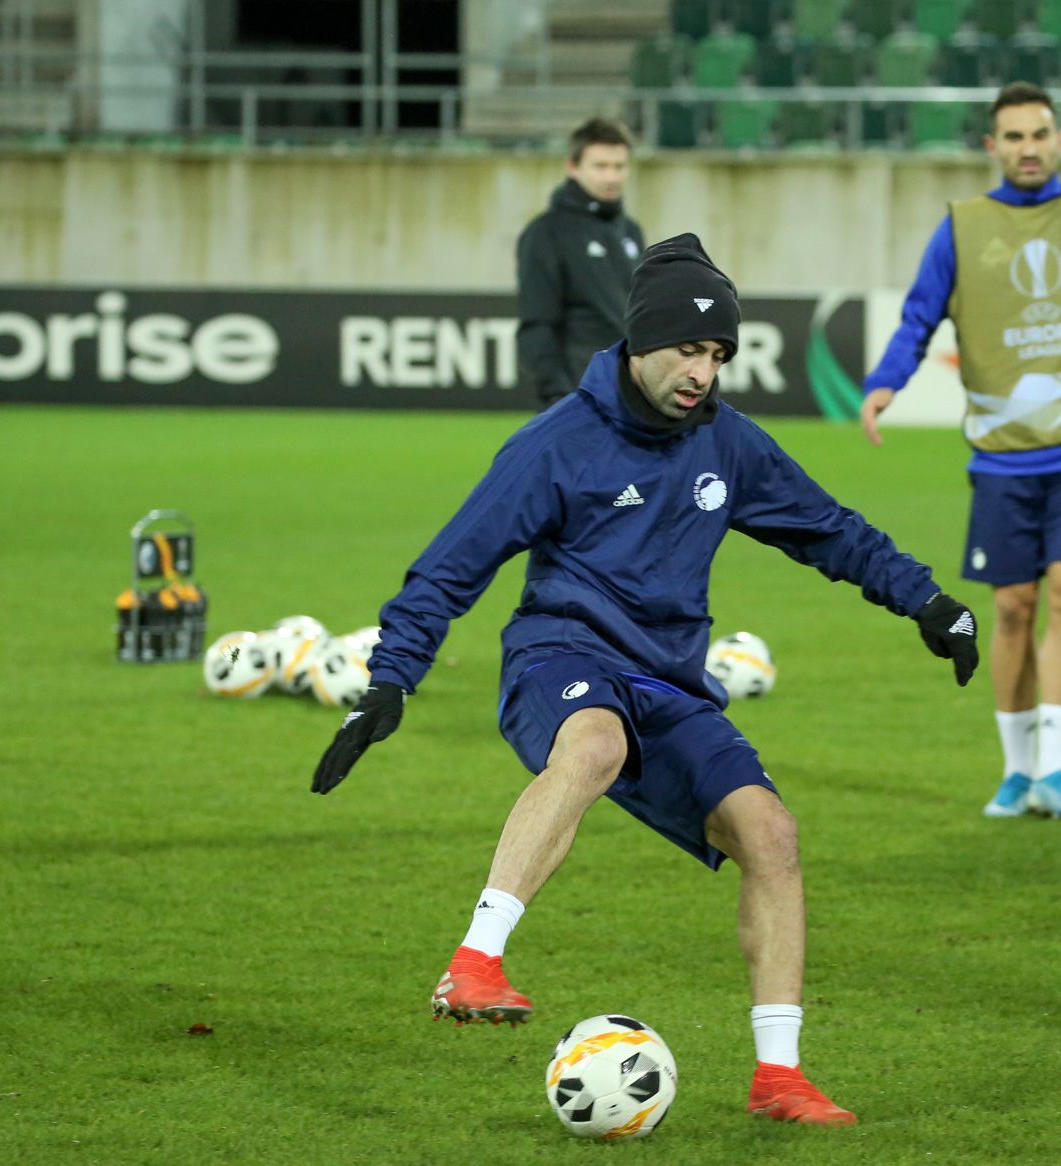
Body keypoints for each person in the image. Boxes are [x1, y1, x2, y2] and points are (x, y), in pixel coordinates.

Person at [310, 234, 980, 1126]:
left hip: (669, 682)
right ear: (639, 343)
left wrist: (928, 602)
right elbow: (449, 568)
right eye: (688, 350)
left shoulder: (730, 445)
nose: (703, 371)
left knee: (771, 834)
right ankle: (475, 962)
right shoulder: (556, 445)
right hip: (561, 656)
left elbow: (831, 531)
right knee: (593, 743)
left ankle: (778, 1076)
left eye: (717, 354)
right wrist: (389, 682)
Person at [860, 81, 1061, 821]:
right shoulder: (961, 227)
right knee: (1011, 608)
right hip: (1002, 455)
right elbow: (919, 316)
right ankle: (1016, 771)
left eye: (1039, 134)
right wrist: (886, 384)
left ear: (1059, 139)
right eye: (1013, 137)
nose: (1028, 148)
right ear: (992, 147)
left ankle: (1058, 769)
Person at [516, 117, 644, 409]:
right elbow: (537, 323)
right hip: (579, 394)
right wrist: (558, 397)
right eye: (600, 166)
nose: (612, 177)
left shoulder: (631, 232)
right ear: (572, 167)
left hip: (633, 396)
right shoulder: (547, 232)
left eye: (619, 166)